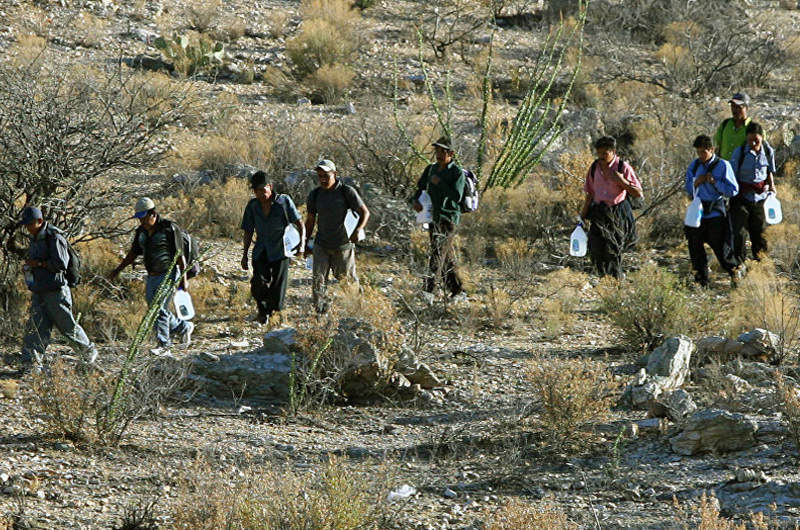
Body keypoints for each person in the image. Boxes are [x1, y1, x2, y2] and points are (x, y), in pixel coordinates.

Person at [109, 198, 194, 356]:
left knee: (158, 308)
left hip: (168, 274)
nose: (142, 221)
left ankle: (164, 345)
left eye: (144, 217)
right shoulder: (141, 232)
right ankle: (183, 327)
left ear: (153, 214)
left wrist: (184, 280)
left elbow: (180, 255)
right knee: (154, 309)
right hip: (151, 276)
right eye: (139, 218)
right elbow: (133, 253)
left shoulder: (169, 229)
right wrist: (118, 269)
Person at [18, 207, 98, 372]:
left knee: (67, 325)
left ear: (39, 221)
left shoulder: (54, 237)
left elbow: (61, 264)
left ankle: (88, 352)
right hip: (40, 289)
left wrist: (39, 264)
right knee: (36, 326)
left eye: (30, 224)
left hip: (56, 290)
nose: (27, 228)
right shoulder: (34, 237)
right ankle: (31, 364)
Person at [304, 159, 369, 314]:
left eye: (326, 175)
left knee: (348, 282)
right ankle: (321, 313)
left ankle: (358, 311)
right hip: (321, 245)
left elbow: (364, 213)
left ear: (335, 174)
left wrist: (357, 231)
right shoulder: (315, 194)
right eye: (320, 176)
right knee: (318, 283)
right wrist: (305, 243)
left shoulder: (346, 191)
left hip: (343, 246)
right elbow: (310, 221)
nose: (323, 180)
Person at [241, 171, 305, 324]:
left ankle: (275, 316)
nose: (260, 194)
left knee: (278, 286)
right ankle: (263, 310)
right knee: (258, 282)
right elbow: (248, 230)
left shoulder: (283, 202)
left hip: (281, 249)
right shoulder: (253, 206)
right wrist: (244, 255)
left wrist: (302, 245)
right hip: (261, 250)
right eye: (256, 190)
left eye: (262, 189)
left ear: (270, 186)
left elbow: (299, 223)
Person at [579, 136, 643, 278]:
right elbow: (590, 193)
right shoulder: (594, 167)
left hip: (616, 212)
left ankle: (615, 281)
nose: (601, 157)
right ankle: (602, 278)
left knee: (613, 250)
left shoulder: (623, 167)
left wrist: (622, 181)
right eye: (599, 153)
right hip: (598, 212)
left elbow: (638, 192)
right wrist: (582, 216)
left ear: (613, 151)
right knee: (595, 248)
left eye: (605, 153)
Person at [411, 136, 466, 297]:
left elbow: (457, 196)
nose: (439, 154)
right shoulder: (431, 169)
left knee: (437, 252)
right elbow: (420, 187)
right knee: (444, 254)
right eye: (437, 151)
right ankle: (457, 289)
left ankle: (429, 289)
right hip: (433, 217)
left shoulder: (456, 173)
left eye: (443, 151)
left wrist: (440, 183)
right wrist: (415, 200)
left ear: (451, 153)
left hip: (448, 219)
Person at [683, 135, 740, 287]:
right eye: (698, 152)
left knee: (721, 249)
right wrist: (696, 182)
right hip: (697, 215)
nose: (701, 155)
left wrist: (715, 182)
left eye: (704, 152)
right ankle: (701, 282)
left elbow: (733, 190)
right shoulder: (694, 166)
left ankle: (735, 272)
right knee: (695, 248)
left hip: (715, 213)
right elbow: (687, 186)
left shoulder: (723, 165)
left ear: (711, 150)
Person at [729, 121, 776, 263]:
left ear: (762, 137)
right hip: (741, 197)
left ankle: (761, 264)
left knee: (760, 233)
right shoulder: (739, 152)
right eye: (750, 140)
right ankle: (739, 264)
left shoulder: (768, 152)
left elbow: (769, 172)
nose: (753, 143)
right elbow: (732, 175)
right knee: (739, 233)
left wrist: (772, 186)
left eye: (756, 140)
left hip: (760, 197)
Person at [714, 92, 751, 162]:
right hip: (724, 168)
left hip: (744, 170)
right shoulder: (725, 124)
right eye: (733, 106)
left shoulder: (753, 127)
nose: (734, 110)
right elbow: (716, 145)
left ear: (746, 108)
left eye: (738, 107)